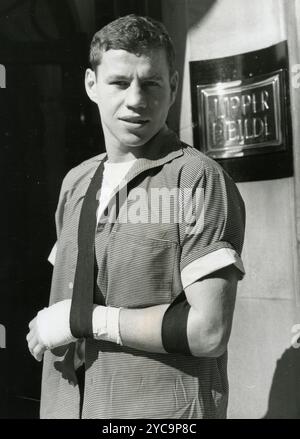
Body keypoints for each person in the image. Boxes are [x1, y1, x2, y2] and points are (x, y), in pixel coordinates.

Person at [26, 14, 245, 419]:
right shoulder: (76, 183)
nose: (135, 99)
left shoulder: (197, 179)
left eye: (151, 82)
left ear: (173, 86)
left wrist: (85, 320)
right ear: (91, 85)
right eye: (119, 82)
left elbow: (209, 330)